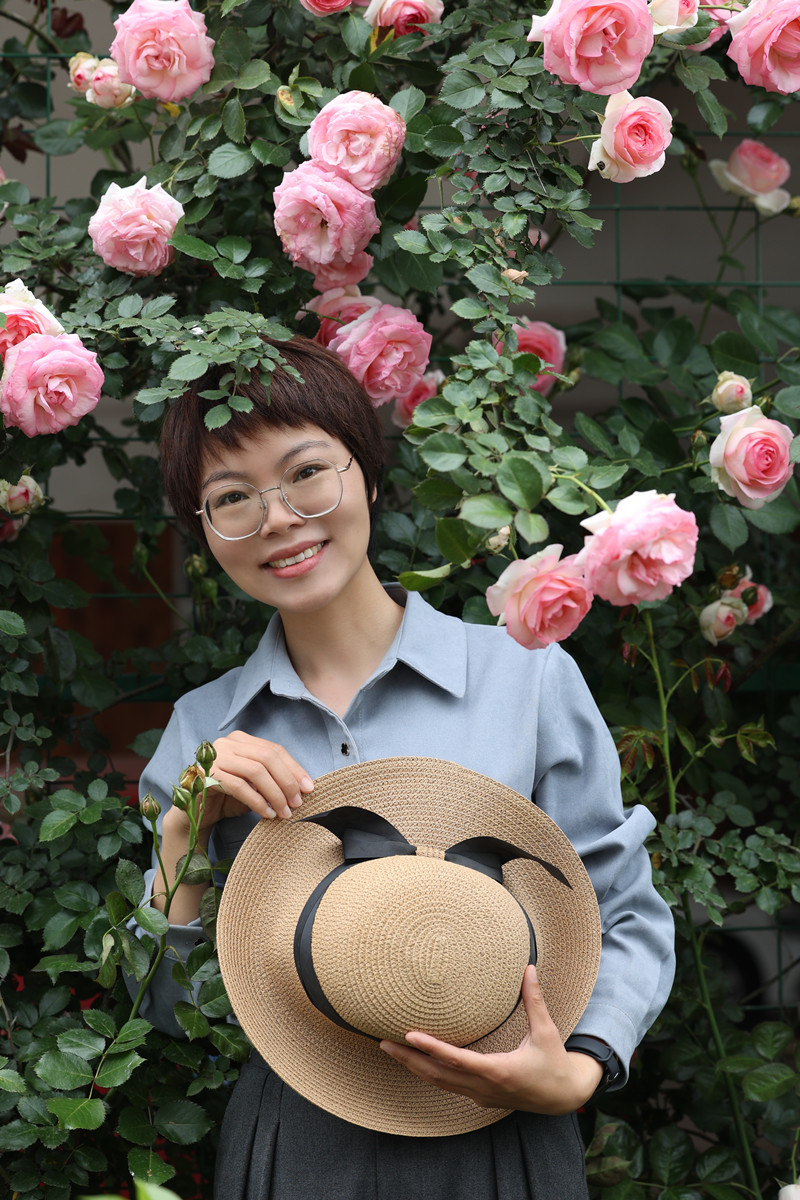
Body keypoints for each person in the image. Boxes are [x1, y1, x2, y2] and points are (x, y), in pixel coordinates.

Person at [133, 336, 675, 1200]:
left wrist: (578, 1069)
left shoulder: (525, 677)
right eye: (232, 497)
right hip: (296, 1146)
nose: (278, 518)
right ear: (204, 529)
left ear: (369, 474)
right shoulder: (205, 731)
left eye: (307, 473)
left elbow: (620, 906)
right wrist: (181, 838)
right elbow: (170, 1013)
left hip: (505, 1132)